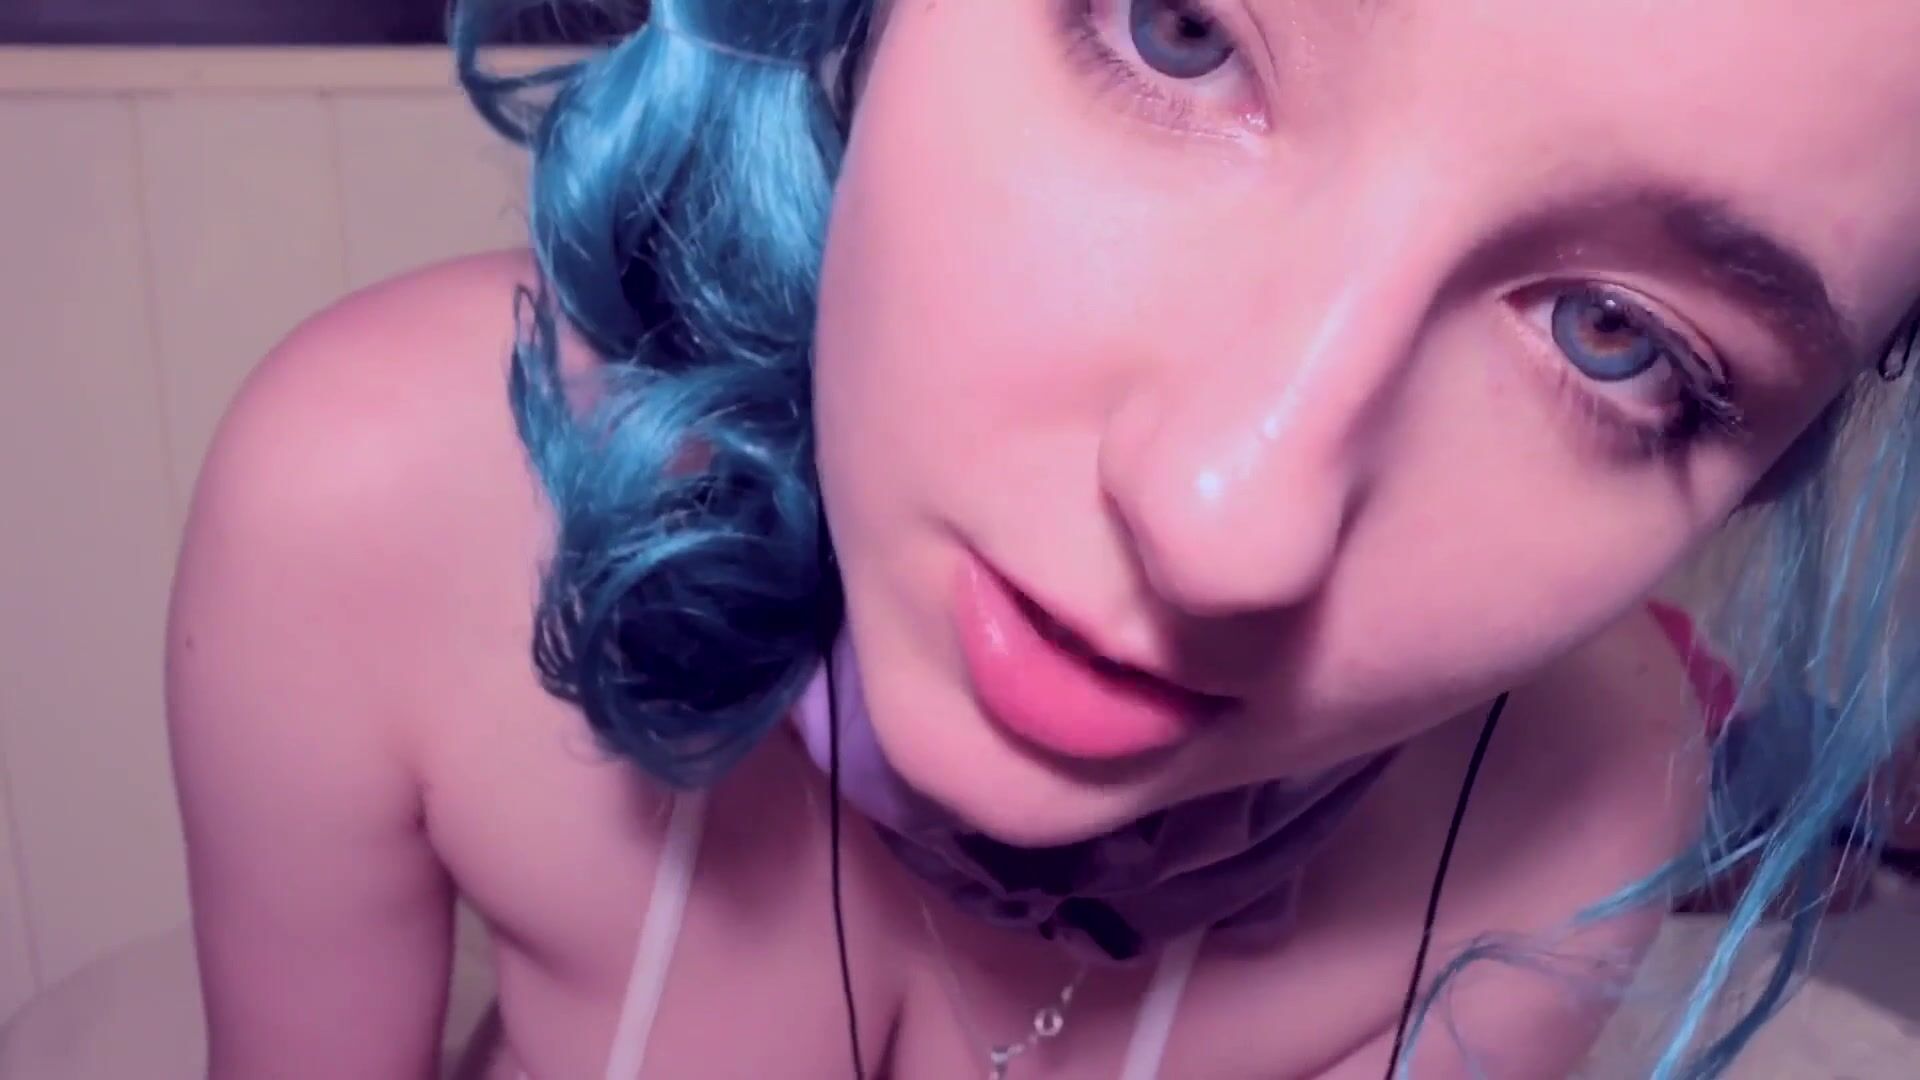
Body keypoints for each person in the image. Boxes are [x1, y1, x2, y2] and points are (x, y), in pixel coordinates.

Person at [163, 1, 1920, 1077]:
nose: (1226, 525)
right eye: (1178, 29)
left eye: (1619, 341)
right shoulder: (385, 508)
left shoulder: (1579, 795)